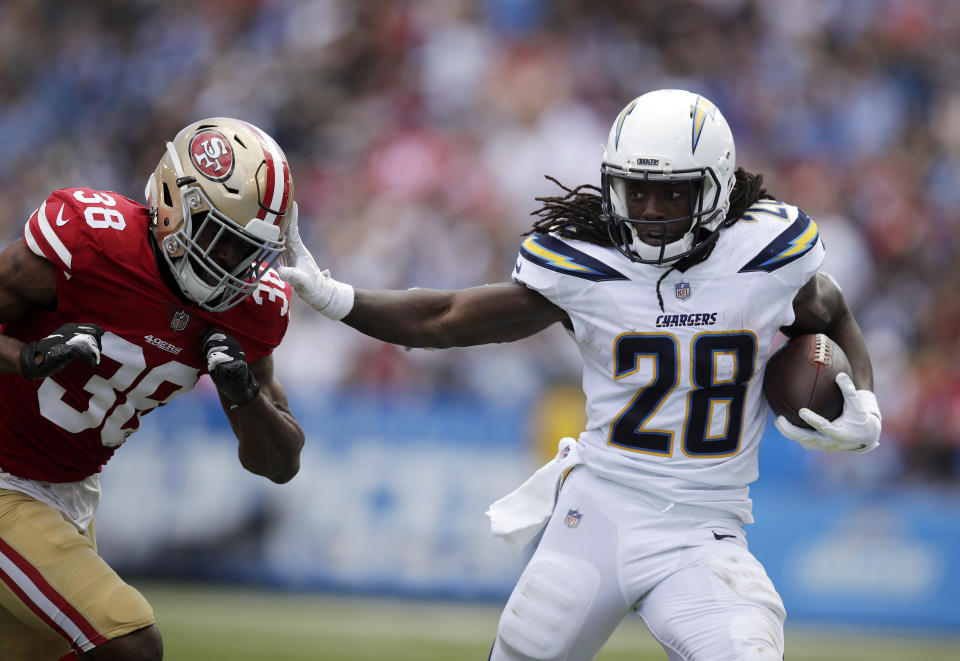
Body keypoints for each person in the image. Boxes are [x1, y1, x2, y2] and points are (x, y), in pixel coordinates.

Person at [279, 89, 882, 661]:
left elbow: (831, 313)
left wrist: (867, 403)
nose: (648, 211)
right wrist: (335, 297)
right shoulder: (586, 267)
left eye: (671, 194)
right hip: (601, 509)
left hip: (705, 529)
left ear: (717, 188)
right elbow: (444, 318)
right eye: (634, 190)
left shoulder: (764, 255)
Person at [0, 118, 305, 661]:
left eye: (248, 251)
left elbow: (280, 464)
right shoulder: (90, 241)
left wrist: (244, 395)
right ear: (172, 201)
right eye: (221, 239)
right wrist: (26, 358)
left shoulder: (253, 309)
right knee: (129, 641)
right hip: (5, 477)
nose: (233, 266)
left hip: (68, 491)